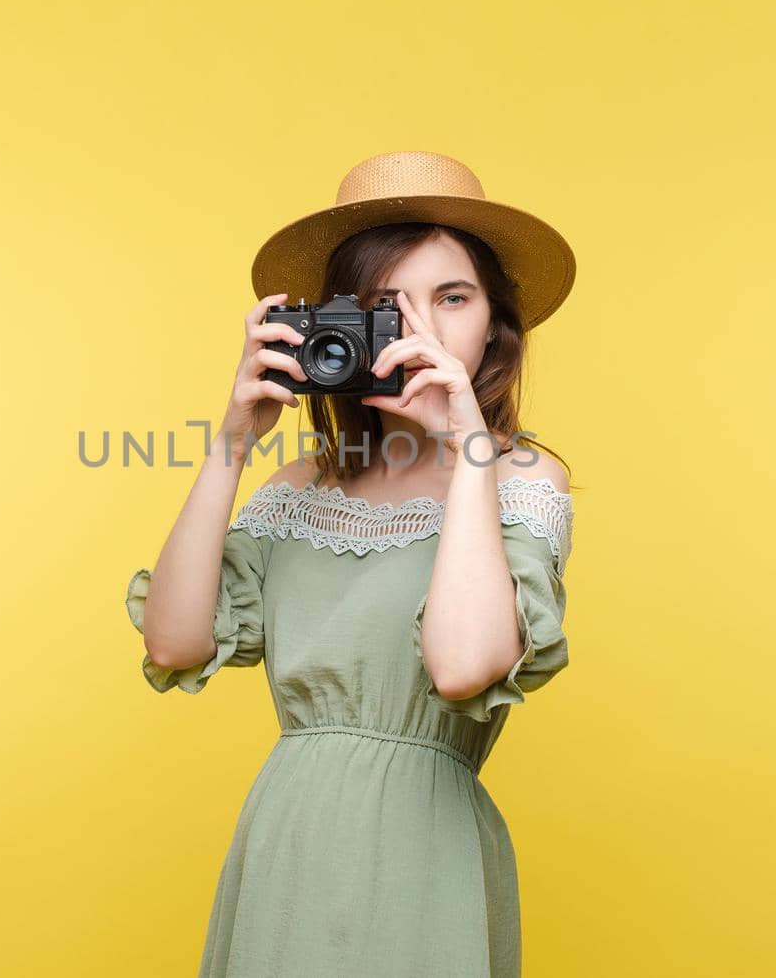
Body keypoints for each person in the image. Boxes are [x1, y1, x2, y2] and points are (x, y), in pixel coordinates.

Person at [124, 150, 581, 976]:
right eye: (385, 306)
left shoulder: (522, 478)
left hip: (424, 856)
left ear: (495, 323)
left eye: (453, 297)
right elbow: (173, 645)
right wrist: (233, 442)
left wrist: (468, 449)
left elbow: (463, 664)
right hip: (289, 847)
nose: (426, 331)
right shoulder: (300, 487)